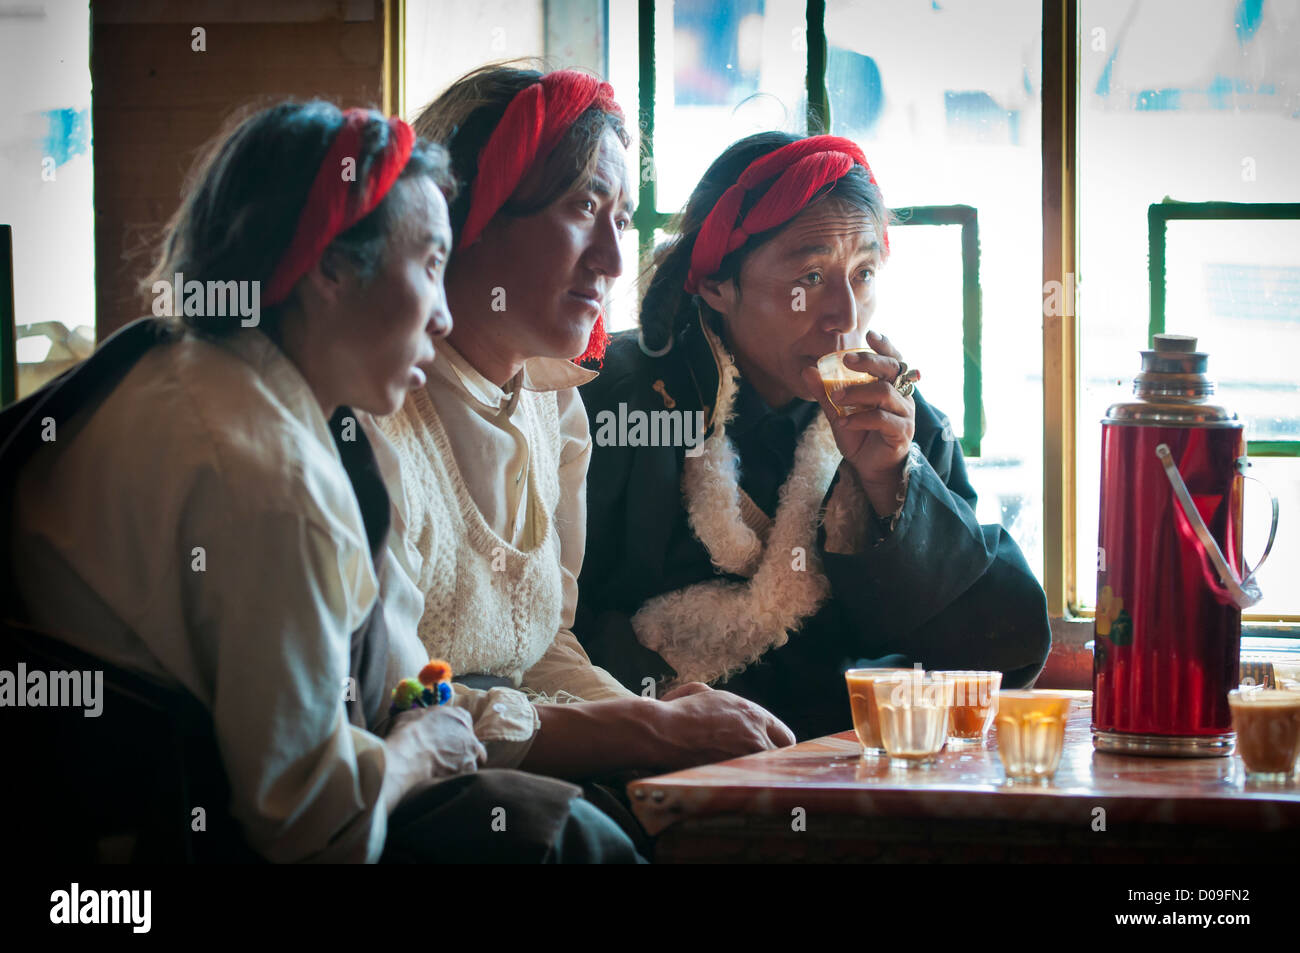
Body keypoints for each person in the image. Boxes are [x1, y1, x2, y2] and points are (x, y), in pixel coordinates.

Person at [4, 100, 631, 863]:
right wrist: (418, 751)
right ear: (330, 266)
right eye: (431, 265)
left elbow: (396, 667)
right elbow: (310, 825)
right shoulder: (271, 476)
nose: (441, 315)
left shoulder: (173, 366)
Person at [369, 65, 796, 796]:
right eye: (582, 205)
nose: (612, 258)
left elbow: (537, 650)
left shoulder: (552, 402)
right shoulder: (375, 416)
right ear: (466, 214)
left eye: (622, 218)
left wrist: (649, 713)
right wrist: (644, 728)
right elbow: (390, 705)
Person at [575, 132, 1053, 741]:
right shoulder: (614, 401)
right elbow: (550, 624)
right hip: (649, 763)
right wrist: (663, 709)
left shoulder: (898, 423)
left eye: (863, 273)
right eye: (811, 274)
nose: (845, 315)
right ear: (718, 285)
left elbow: (1001, 653)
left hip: (846, 772)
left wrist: (890, 486)